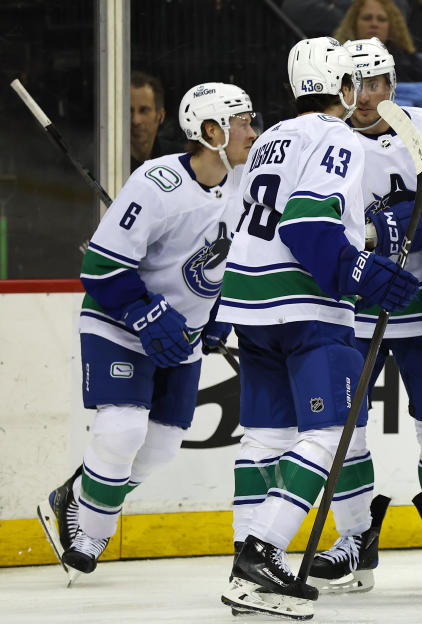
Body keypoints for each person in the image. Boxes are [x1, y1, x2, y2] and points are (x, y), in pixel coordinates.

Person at [218, 37, 418, 619]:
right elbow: (309, 226)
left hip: (248, 304)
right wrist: (360, 272)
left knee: (264, 439)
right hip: (304, 305)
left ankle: (245, 566)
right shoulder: (338, 138)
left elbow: (253, 221)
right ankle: (264, 550)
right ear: (346, 87)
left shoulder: (269, 140)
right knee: (329, 435)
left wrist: (367, 240)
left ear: (292, 88)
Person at [37, 82, 258, 580]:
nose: (251, 129)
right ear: (211, 131)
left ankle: (75, 493)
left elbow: (231, 261)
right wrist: (145, 312)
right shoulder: (155, 182)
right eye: (241, 120)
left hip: (181, 337)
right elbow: (100, 267)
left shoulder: (244, 184)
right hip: (118, 325)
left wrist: (219, 314)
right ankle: (92, 534)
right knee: (122, 430)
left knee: (159, 448)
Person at [305, 36, 422, 593]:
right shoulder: (323, 142)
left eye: (380, 84)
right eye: (357, 85)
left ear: (393, 83)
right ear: (339, 88)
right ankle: (355, 536)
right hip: (354, 307)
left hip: (421, 306)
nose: (370, 96)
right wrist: (381, 232)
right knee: (342, 426)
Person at [333, 0, 422, 83]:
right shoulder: (334, 61)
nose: (374, 24)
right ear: (353, 25)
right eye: (367, 18)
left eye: (381, 19)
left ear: (391, 27)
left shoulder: (412, 65)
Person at [130, 71, 182, 171]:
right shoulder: (105, 161)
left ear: (160, 116)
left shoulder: (179, 160)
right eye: (129, 111)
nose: (135, 120)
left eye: (144, 110)